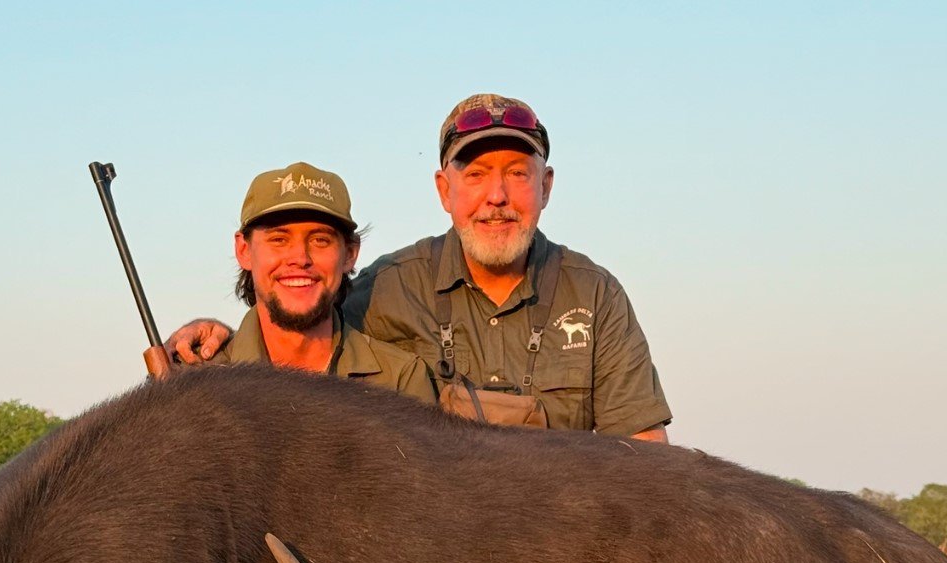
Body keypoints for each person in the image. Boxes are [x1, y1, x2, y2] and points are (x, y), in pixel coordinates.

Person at [170, 96, 669, 439]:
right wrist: (217, 338)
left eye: (518, 174)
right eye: (475, 175)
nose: (497, 197)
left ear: (546, 186)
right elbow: (301, 313)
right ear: (443, 190)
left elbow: (645, 461)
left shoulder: (595, 296)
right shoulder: (386, 286)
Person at [206, 161, 434, 404]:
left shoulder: (400, 380)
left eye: (320, 240)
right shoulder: (197, 377)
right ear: (244, 250)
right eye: (279, 239)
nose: (300, 258)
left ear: (349, 253)